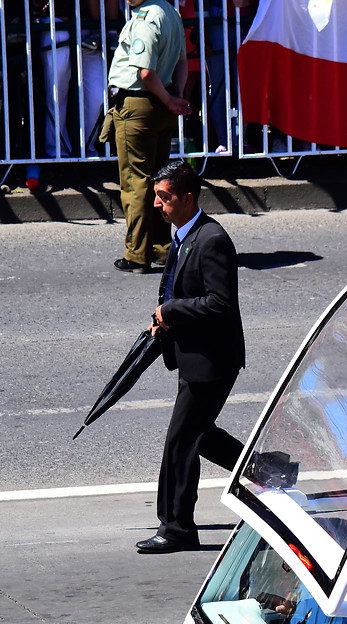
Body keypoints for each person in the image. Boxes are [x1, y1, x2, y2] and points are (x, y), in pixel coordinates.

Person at [136, 160, 245, 553]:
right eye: (156, 196)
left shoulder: (212, 238)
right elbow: (178, 289)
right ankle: (268, 474)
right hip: (193, 355)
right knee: (201, 436)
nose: (157, 204)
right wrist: (163, 320)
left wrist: (172, 312)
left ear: (187, 198)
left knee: (181, 441)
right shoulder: (183, 234)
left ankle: (178, 528)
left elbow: (220, 303)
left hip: (213, 361)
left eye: (164, 197)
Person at [106, 0, 191, 273]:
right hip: (159, 104)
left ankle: (137, 254)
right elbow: (181, 62)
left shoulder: (146, 18)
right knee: (158, 179)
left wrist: (169, 99)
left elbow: (145, 73)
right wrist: (174, 96)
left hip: (138, 104)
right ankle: (162, 247)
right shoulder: (170, 13)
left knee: (136, 182)